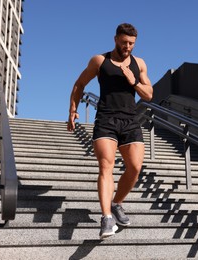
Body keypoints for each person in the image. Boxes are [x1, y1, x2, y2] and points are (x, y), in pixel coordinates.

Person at [67, 23, 153, 239]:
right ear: (115, 39)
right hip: (106, 119)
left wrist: (133, 81)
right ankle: (106, 218)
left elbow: (149, 94)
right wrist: (73, 109)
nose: (128, 47)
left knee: (134, 168)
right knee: (106, 166)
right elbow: (80, 84)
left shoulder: (139, 63)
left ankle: (117, 203)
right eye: (124, 42)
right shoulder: (100, 60)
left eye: (131, 43)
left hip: (131, 120)